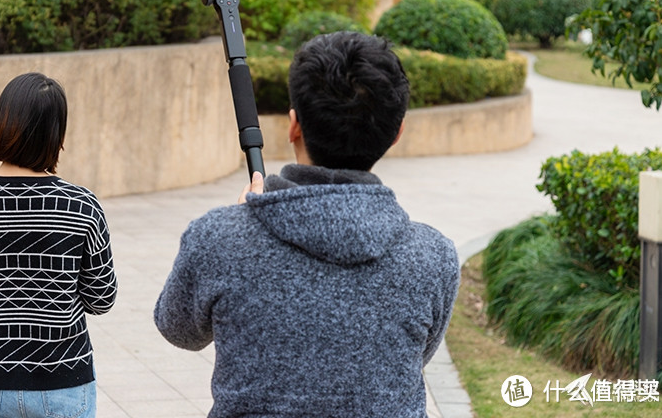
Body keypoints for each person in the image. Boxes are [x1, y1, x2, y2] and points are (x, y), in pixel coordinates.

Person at [154, 32, 460, 417]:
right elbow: (416, 355)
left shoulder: (217, 237)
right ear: (397, 133)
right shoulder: (434, 257)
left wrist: (236, 227)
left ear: (293, 126)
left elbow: (177, 329)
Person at [0, 72, 117, 418]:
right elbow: (101, 298)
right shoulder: (82, 206)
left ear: (2, 123)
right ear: (56, 135)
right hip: (65, 381)